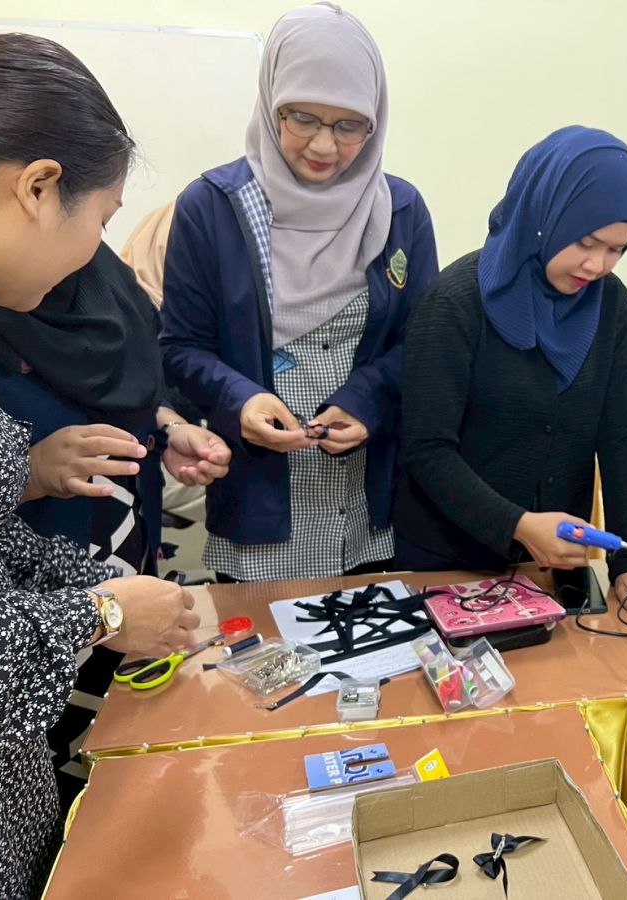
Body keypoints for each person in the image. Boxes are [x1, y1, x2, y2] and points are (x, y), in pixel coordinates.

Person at [0, 32, 199, 897]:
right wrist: (101, 613)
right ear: (38, 188)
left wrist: (102, 586)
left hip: (8, 795)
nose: (95, 254)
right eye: (100, 222)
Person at [161, 2, 438, 581]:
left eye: (349, 125)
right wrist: (241, 400)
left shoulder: (400, 210)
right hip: (260, 500)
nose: (324, 146)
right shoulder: (212, 208)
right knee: (267, 639)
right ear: (272, 104)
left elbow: (424, 343)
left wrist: (367, 400)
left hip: (372, 504)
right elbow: (181, 348)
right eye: (303, 118)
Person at [0, 241, 230, 807]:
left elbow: (133, 382)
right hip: (29, 601)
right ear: (35, 197)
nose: (93, 241)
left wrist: (166, 428)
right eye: (97, 215)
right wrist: (29, 472)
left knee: (123, 734)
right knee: (51, 746)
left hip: (111, 552)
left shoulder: (94, 275)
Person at [395, 126, 627, 622]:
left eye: (617, 249)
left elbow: (616, 436)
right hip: (448, 562)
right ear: (544, 215)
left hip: (552, 567)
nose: (597, 265)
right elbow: (427, 450)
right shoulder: (454, 303)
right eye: (586, 242)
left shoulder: (610, 305)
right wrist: (520, 525)